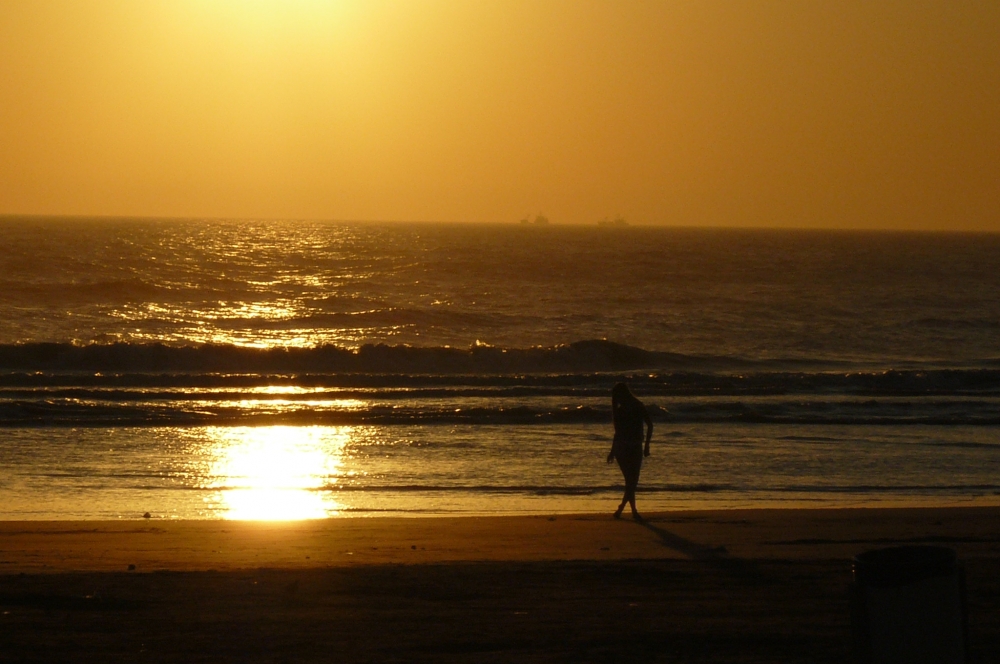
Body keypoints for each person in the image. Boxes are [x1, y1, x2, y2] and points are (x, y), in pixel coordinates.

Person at [606, 382, 653, 519]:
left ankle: (624, 510)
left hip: (624, 448)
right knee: (631, 481)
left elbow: (618, 433)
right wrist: (647, 445)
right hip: (632, 447)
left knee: (630, 481)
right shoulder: (638, 405)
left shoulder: (622, 410)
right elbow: (650, 425)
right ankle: (630, 511)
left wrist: (613, 451)